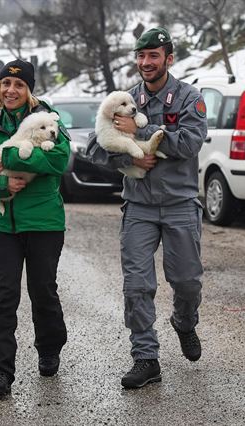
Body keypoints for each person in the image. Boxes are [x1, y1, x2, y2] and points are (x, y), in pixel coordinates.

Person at [87, 27, 208, 389]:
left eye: (153, 55)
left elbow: (190, 142)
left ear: (168, 58)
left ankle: (185, 322)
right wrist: (127, 163)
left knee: (187, 282)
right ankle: (145, 358)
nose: (145, 62)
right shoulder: (124, 99)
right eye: (141, 56)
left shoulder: (189, 98)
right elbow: (94, 146)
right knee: (136, 285)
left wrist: (144, 133)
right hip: (138, 205)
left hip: (180, 204)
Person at [0, 59, 71, 398]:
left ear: (29, 90)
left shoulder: (49, 121)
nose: (11, 90)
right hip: (2, 225)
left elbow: (59, 160)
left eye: (19, 85)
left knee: (43, 291)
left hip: (44, 222)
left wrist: (10, 160)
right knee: (3, 296)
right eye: (6, 85)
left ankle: (50, 347)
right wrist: (0, 187)